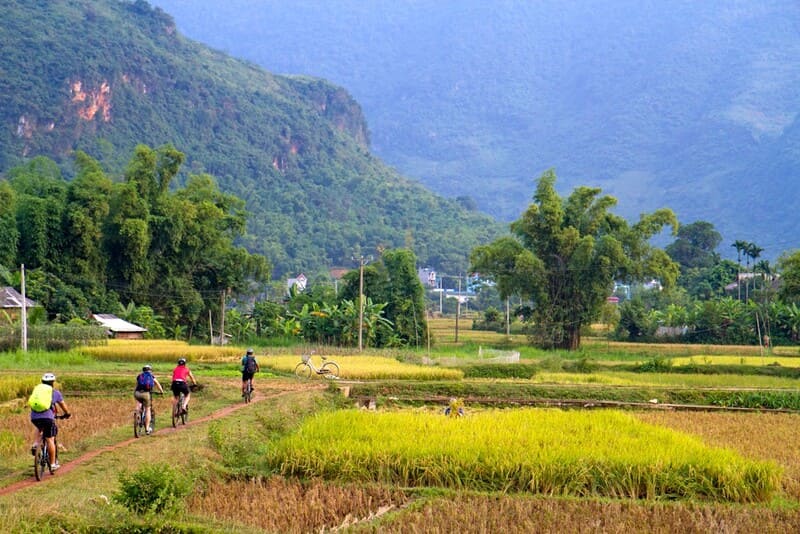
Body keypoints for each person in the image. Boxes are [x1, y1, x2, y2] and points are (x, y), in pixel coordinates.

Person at [30, 373, 71, 471]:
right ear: (53, 383)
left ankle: (35, 444)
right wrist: (67, 413)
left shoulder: (37, 392)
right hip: (48, 418)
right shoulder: (55, 392)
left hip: (34, 417)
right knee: (50, 440)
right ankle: (52, 464)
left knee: (39, 427)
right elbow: (63, 406)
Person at [134, 364, 164, 435]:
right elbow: (157, 384)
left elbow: (136, 385)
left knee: (139, 401)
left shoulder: (139, 376)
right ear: (150, 370)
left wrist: (136, 392)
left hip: (137, 393)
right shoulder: (151, 376)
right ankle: (147, 429)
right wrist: (161, 391)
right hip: (146, 394)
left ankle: (137, 412)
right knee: (148, 409)